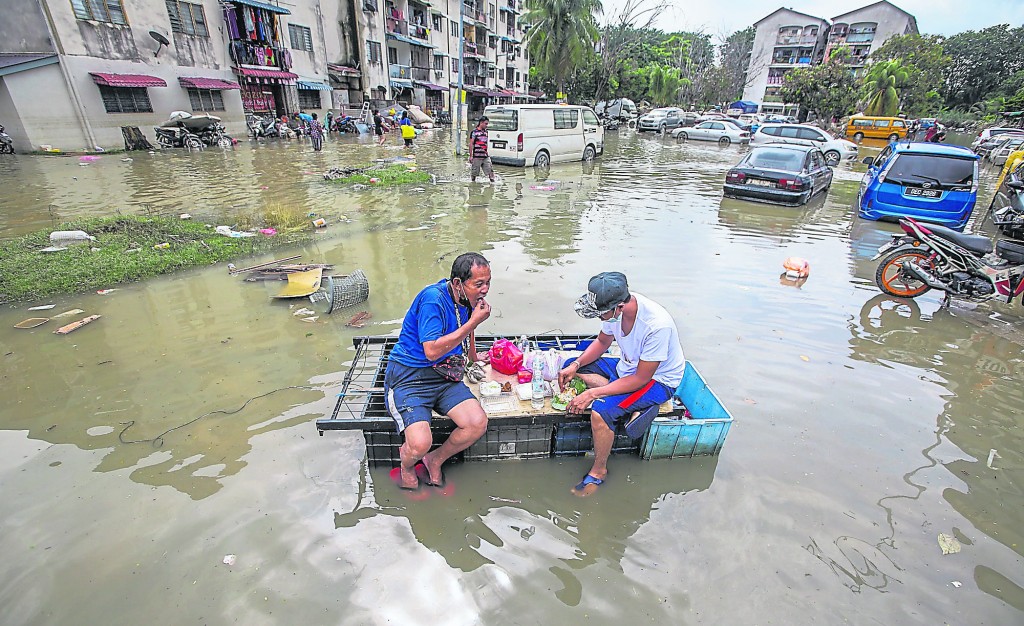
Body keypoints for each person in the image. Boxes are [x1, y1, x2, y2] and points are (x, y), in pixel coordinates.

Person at [558, 272, 686, 496]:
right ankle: (620, 397)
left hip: (656, 380)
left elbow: (641, 379)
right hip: (627, 367)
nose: (600, 318)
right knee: (571, 364)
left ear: (619, 307)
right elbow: (602, 341)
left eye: (601, 314)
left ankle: (599, 471)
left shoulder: (656, 326)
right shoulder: (613, 313)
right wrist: (576, 365)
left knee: (600, 412)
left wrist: (593, 394)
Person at [384, 252, 493, 490]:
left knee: (477, 422)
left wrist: (473, 357)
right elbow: (431, 351)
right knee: (420, 442)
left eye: (487, 283)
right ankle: (407, 466)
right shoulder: (433, 300)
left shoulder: (467, 299)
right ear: (457, 283)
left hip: (443, 375)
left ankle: (435, 459)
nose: (484, 289)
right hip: (409, 377)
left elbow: (467, 327)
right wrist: (473, 322)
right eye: (478, 284)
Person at [468, 116, 494, 183]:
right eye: (485, 124)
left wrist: (487, 152)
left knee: (490, 171)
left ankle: (492, 184)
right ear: (481, 123)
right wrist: (471, 156)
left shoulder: (486, 132)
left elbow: (485, 143)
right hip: (476, 156)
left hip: (485, 156)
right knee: (474, 173)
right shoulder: (474, 132)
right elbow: (471, 144)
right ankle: (473, 185)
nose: (486, 125)